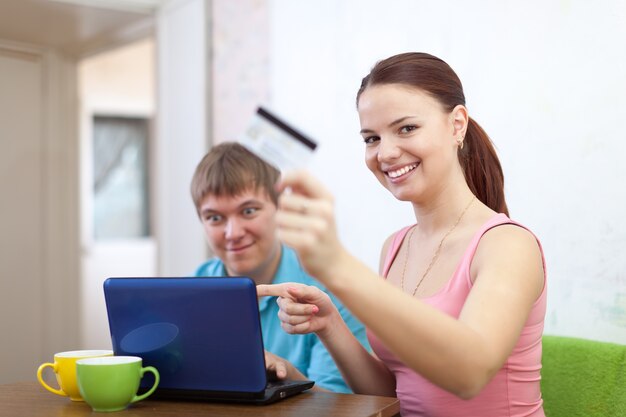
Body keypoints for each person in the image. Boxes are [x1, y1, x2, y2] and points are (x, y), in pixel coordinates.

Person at [257, 52, 547, 416]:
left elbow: (469, 373)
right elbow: (396, 394)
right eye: (371, 138)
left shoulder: (508, 245)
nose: (387, 152)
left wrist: (339, 267)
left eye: (406, 128)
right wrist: (330, 324)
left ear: (457, 124)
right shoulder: (394, 247)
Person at [190, 141, 369, 393]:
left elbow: (348, 406)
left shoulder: (330, 291)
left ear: (280, 207)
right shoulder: (191, 291)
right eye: (215, 218)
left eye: (249, 211)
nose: (233, 233)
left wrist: (287, 377)